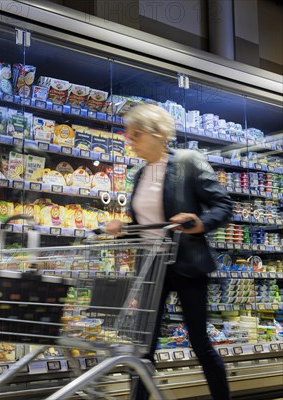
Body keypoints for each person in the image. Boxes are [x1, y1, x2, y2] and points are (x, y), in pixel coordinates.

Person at [105, 104, 233, 400]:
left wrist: (199, 223)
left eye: (136, 134)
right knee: (144, 346)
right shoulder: (139, 174)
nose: (130, 140)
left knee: (199, 342)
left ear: (159, 133)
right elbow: (146, 224)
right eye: (129, 135)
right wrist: (123, 228)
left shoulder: (188, 161)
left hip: (187, 265)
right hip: (151, 269)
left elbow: (224, 206)